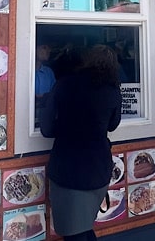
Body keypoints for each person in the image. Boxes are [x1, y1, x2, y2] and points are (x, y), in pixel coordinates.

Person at [40, 45, 122, 241]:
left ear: (87, 61)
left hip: (68, 169)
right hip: (98, 170)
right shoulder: (113, 91)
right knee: (83, 227)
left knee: (72, 231)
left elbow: (46, 129)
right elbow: (112, 125)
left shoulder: (64, 84)